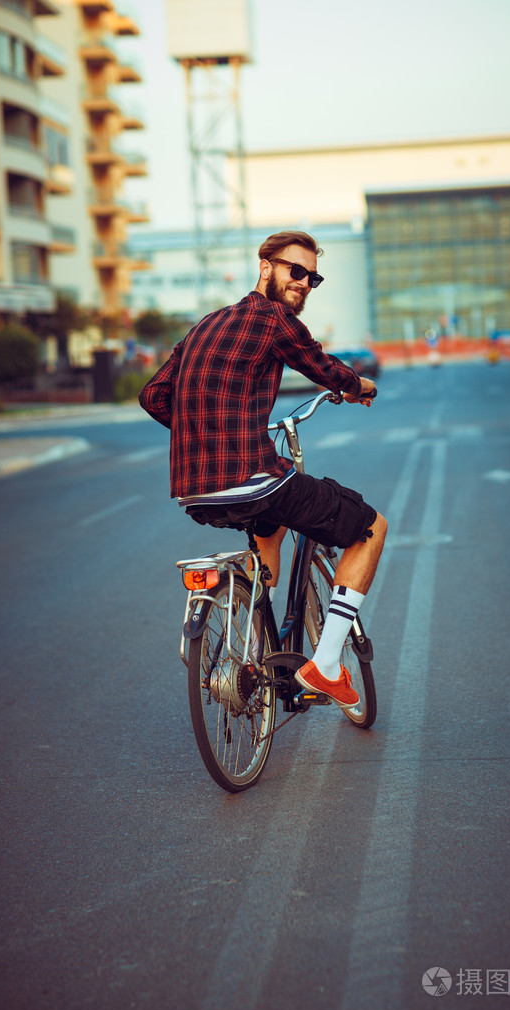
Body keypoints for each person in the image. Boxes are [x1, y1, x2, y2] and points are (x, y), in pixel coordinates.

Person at [139, 230, 387, 709]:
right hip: (251, 480)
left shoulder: (205, 325)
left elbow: (153, 395)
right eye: (296, 271)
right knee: (371, 528)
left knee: (268, 530)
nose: (304, 283)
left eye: (313, 278)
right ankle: (328, 665)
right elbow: (320, 366)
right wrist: (358, 385)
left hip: (193, 490)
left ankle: (254, 659)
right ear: (266, 266)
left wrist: (202, 431)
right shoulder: (273, 318)